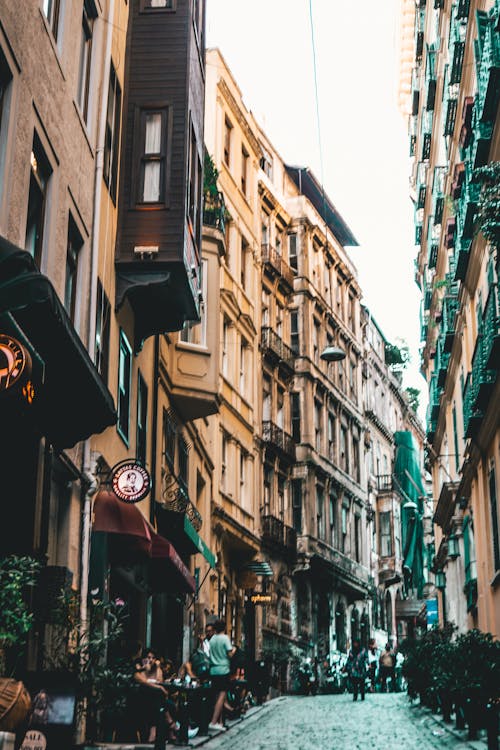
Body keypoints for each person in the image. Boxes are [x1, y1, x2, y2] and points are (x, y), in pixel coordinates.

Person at [127, 641, 177, 746]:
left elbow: (160, 681)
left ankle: (156, 732)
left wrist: (158, 668)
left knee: (163, 702)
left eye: (152, 658)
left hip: (151, 699)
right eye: (148, 657)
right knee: (159, 698)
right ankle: (170, 726)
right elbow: (143, 681)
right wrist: (159, 687)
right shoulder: (137, 666)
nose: (150, 660)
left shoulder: (155, 668)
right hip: (137, 699)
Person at [208, 619, 235, 731]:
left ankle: (220, 722)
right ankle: (214, 722)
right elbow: (230, 654)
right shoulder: (225, 638)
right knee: (222, 696)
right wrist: (234, 650)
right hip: (223, 670)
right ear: (224, 628)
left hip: (213, 670)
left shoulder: (212, 639)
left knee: (216, 696)